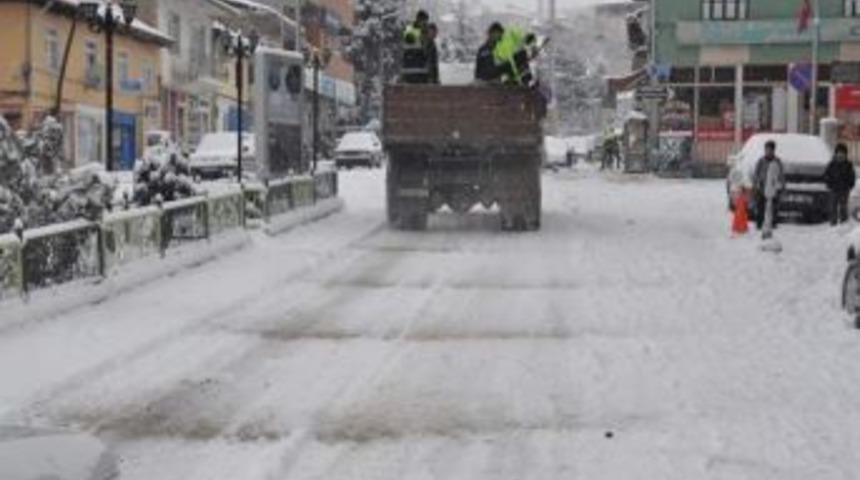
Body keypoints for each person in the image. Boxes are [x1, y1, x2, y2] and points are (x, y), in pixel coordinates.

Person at [752, 140, 785, 233]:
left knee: (773, 207)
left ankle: (773, 224)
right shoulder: (761, 161)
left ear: (773, 150)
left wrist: (781, 187)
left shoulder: (777, 162)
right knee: (760, 207)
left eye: (770, 150)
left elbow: (781, 175)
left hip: (773, 188)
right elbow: (756, 174)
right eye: (766, 149)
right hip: (762, 188)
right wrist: (756, 183)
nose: (768, 151)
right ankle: (759, 224)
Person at [824, 143, 856, 226]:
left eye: (843, 153)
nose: (841, 155)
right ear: (836, 153)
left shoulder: (848, 165)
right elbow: (827, 175)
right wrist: (828, 183)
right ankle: (833, 223)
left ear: (845, 154)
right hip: (834, 189)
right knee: (832, 207)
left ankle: (843, 224)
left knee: (843, 207)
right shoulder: (832, 164)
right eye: (839, 153)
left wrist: (850, 184)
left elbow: (852, 176)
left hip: (844, 189)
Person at [401, 10, 431, 84]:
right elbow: (410, 45)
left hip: (421, 69)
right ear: (419, 19)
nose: (425, 23)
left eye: (426, 21)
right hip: (412, 69)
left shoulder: (423, 30)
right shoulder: (411, 29)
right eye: (424, 21)